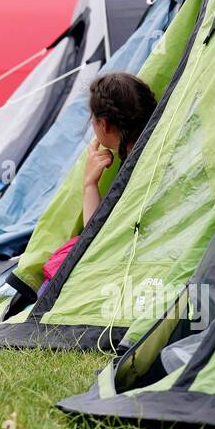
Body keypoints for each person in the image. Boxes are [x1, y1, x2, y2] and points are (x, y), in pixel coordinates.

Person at [39, 71, 159, 288]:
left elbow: (94, 243)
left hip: (136, 274)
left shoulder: (136, 166)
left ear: (103, 125)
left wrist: (89, 184)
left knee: (56, 275)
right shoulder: (155, 147)